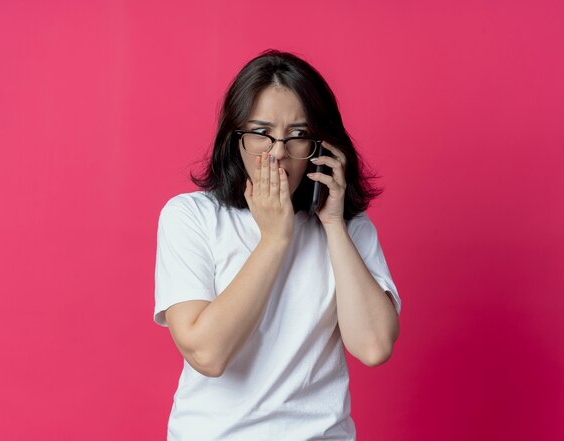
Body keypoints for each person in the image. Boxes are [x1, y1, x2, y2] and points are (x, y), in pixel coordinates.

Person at [153, 49, 402, 441]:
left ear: (320, 146)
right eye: (261, 133)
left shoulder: (348, 227)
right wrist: (274, 239)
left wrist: (334, 224)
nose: (279, 152)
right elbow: (208, 354)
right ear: (236, 139)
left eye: (298, 136)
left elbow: (373, 346)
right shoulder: (190, 217)